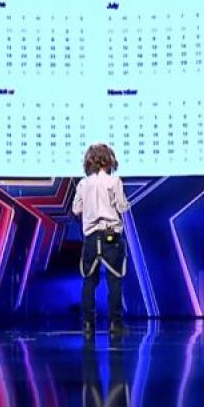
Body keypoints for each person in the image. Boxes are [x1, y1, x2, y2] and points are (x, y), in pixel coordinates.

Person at [72, 143, 130, 335]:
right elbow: (122, 207)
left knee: (89, 281)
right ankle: (116, 324)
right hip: (111, 235)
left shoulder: (83, 183)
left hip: (91, 237)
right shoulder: (114, 181)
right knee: (114, 281)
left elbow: (76, 209)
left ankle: (88, 325)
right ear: (109, 160)